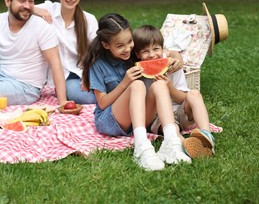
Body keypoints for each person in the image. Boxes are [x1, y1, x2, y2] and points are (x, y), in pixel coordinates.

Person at [81, 13, 191, 171]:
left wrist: (176, 58)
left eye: (130, 42)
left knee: (160, 85)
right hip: (110, 120)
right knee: (137, 85)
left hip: (137, 121)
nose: (127, 49)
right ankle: (141, 148)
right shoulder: (97, 64)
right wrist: (125, 82)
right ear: (106, 45)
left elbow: (165, 52)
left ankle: (171, 143)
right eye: (120, 46)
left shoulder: (134, 54)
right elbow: (103, 103)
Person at [132, 24, 215, 158]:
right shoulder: (137, 72)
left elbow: (183, 98)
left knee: (194, 93)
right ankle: (185, 145)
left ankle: (207, 137)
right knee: (173, 129)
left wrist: (170, 87)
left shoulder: (173, 66)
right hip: (158, 118)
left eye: (156, 49)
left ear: (163, 49)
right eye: (145, 51)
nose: (152, 55)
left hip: (181, 112)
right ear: (137, 54)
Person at [33, 0, 98, 104]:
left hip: (83, 74)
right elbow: (19, 7)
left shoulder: (89, 20)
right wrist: (36, 10)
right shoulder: (49, 9)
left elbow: (95, 55)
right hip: (61, 79)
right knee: (88, 98)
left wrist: (88, 79)